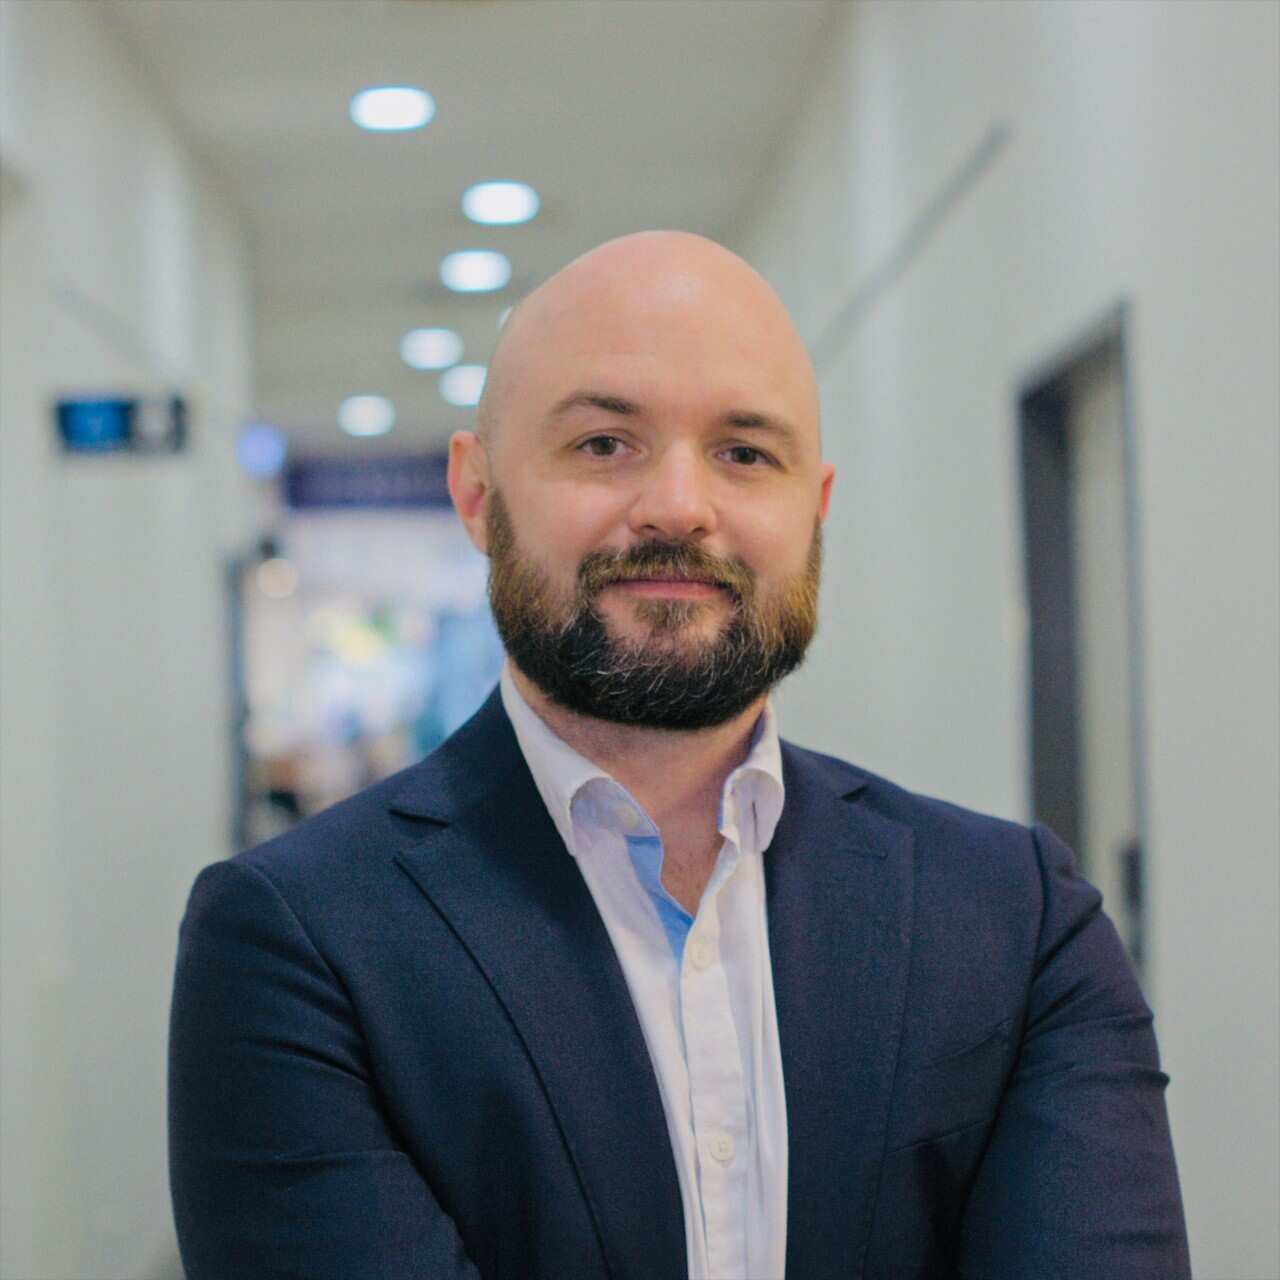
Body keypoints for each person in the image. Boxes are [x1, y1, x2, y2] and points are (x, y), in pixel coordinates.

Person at [168, 231, 1190, 1279]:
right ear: (478, 494)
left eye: (744, 453)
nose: (678, 507)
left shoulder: (1016, 921)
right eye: (604, 443)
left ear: (814, 509)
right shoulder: (297, 938)